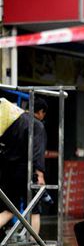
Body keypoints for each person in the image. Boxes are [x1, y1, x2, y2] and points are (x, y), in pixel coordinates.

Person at [0, 98, 48, 234]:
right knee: (34, 211)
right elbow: (37, 152)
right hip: (26, 172)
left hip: (8, 171)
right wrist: (40, 174)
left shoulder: (13, 121)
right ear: (41, 112)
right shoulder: (38, 125)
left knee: (9, 210)